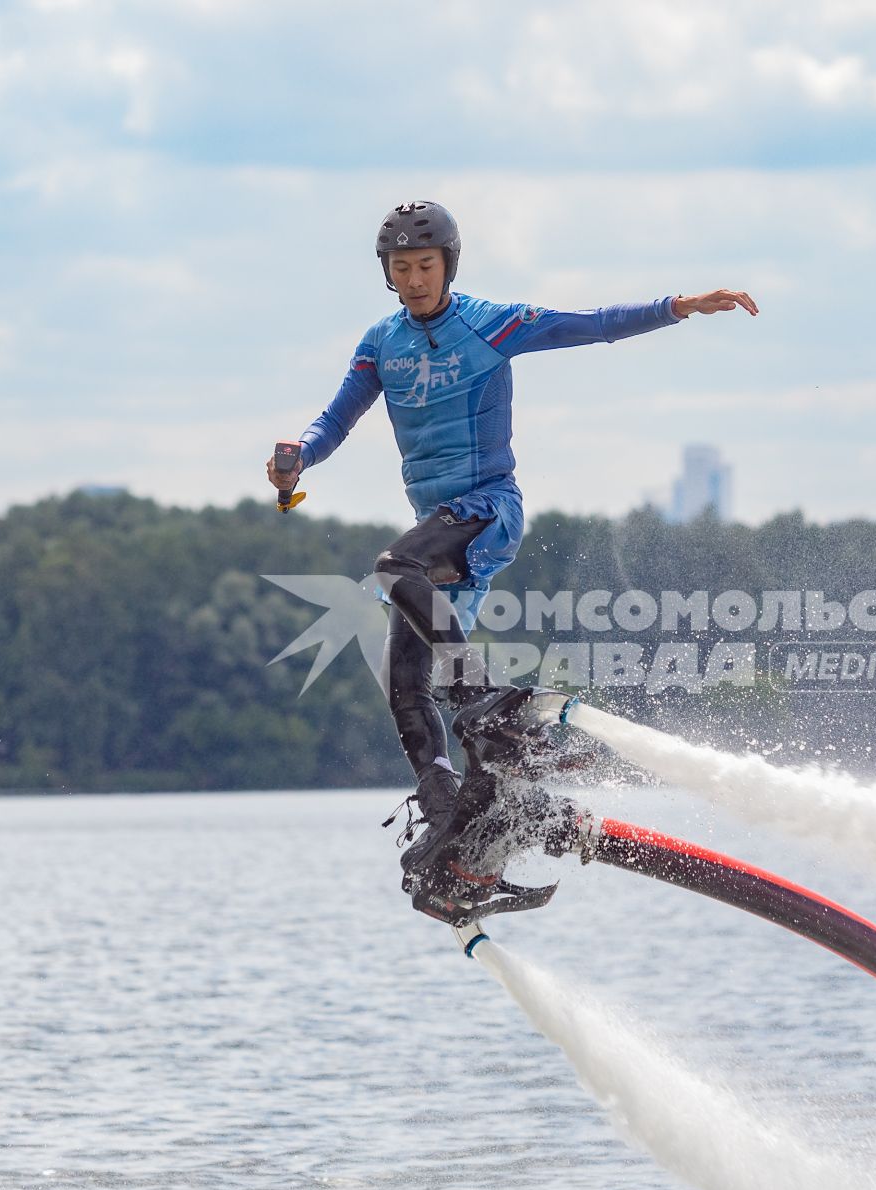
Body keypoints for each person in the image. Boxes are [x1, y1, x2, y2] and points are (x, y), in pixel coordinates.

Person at [269, 200, 755, 839]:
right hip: (436, 534)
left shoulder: (490, 325)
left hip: (486, 512)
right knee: (405, 684)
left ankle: (480, 695)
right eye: (401, 268)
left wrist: (679, 306)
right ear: (387, 273)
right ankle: (461, 815)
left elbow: (591, 324)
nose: (414, 279)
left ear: (448, 264)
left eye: (425, 265)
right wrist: (300, 456)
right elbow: (334, 420)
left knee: (394, 567)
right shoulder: (380, 344)